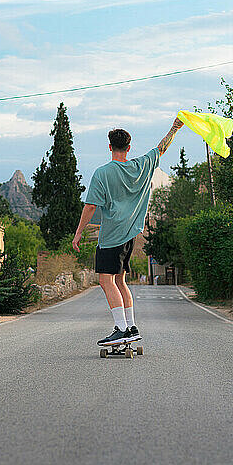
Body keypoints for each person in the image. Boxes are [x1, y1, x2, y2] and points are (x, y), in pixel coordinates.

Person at [72, 116, 184, 347]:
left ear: (110, 146)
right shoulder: (140, 165)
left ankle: (122, 329)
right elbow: (161, 149)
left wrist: (79, 233)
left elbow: (91, 206)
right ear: (129, 147)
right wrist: (175, 128)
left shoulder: (102, 173)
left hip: (111, 236)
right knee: (120, 281)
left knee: (105, 281)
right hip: (130, 235)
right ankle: (130, 326)